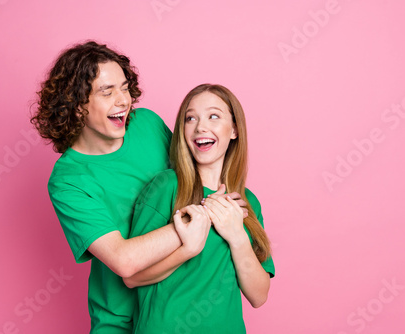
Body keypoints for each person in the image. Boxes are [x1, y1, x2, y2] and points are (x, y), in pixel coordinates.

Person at [31, 41, 246, 333]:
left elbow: (197, 171)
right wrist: (202, 217)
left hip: (176, 307)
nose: (123, 101)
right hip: (120, 322)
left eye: (124, 88)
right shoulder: (68, 180)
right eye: (107, 92)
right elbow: (124, 261)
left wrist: (229, 211)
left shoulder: (147, 124)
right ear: (77, 104)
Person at [125, 84, 275, 334]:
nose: (200, 127)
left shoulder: (247, 202)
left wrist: (237, 235)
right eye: (190, 118)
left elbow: (258, 296)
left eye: (213, 116)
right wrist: (188, 248)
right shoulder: (166, 186)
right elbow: (132, 277)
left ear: (235, 129)